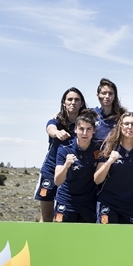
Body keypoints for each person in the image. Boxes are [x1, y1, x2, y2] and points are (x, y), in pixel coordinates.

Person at [35, 87, 86, 222]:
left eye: (76, 100)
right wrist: (57, 133)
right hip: (51, 171)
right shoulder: (57, 120)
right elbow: (50, 128)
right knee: (46, 216)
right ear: (64, 102)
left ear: (81, 103)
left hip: (72, 175)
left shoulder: (85, 123)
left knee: (64, 217)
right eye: (70, 99)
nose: (73, 102)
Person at [94, 112, 133, 224]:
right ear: (120, 126)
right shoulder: (109, 147)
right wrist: (110, 161)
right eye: (126, 124)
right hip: (108, 203)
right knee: (107, 239)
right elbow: (97, 179)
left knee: (128, 240)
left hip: (130, 204)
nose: (129, 127)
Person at [53, 111, 99, 223]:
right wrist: (66, 165)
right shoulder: (64, 149)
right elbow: (57, 181)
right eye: (81, 129)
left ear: (94, 131)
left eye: (88, 129)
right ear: (75, 129)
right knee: (63, 237)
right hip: (66, 201)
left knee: (86, 238)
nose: (84, 133)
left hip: (88, 203)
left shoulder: (98, 147)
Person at [93, 78, 125, 143]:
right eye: (104, 93)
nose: (107, 96)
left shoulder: (122, 116)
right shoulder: (92, 114)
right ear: (98, 95)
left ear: (114, 96)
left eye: (110, 93)